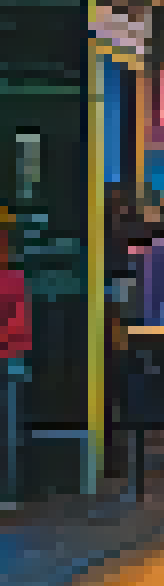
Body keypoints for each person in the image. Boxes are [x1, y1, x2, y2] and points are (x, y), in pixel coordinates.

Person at [0, 210, 26, 507]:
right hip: (9, 357)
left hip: (8, 359)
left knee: (8, 429)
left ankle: (8, 490)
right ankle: (8, 490)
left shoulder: (14, 279)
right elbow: (19, 326)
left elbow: (19, 326)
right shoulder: (14, 279)